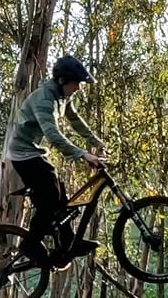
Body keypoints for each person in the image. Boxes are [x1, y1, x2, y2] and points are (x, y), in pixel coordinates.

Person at [8, 54, 107, 268]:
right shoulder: (44, 100)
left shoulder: (62, 96)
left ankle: (68, 240)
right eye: (76, 84)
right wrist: (83, 154)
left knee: (62, 199)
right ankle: (30, 245)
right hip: (23, 154)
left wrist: (95, 141)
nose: (79, 89)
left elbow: (74, 119)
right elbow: (53, 135)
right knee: (49, 201)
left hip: (34, 153)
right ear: (62, 81)